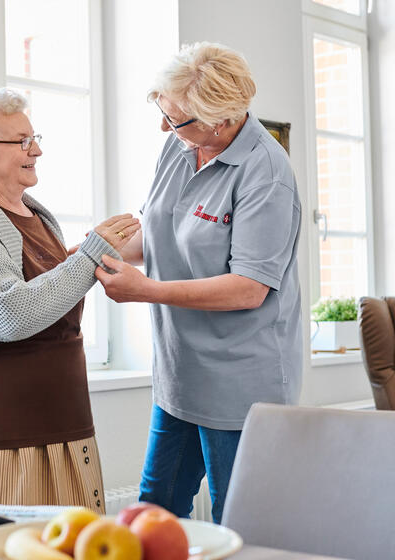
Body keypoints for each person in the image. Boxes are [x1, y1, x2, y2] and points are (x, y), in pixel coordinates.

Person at [95, 42, 302, 524]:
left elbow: (249, 287)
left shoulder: (266, 173)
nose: (164, 128)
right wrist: (86, 251)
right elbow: (156, 230)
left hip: (241, 384)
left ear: (222, 119)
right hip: (180, 375)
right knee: (152, 512)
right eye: (163, 112)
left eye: (176, 120)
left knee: (239, 520)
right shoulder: (179, 145)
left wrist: (145, 290)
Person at [0, 87, 139, 512]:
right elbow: (7, 313)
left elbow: (48, 289)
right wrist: (90, 253)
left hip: (63, 424)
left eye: (34, 138)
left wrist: (95, 255)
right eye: (20, 141)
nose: (35, 150)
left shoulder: (37, 215)